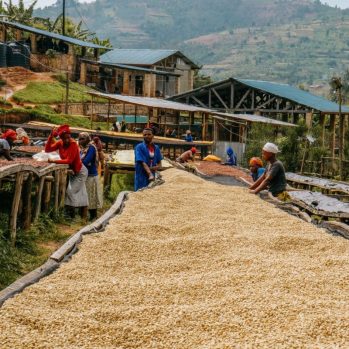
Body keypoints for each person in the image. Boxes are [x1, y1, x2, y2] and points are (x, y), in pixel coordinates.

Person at [45, 125, 89, 218]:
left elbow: (69, 160)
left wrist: (53, 161)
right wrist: (51, 136)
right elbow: (47, 149)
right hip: (73, 171)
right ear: (61, 138)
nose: (67, 140)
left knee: (70, 192)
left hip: (80, 171)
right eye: (65, 138)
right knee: (80, 193)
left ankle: (70, 216)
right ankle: (83, 217)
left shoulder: (73, 144)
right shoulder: (60, 143)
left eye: (68, 137)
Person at [79, 132, 103, 220]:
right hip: (84, 175)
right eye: (80, 139)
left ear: (88, 139)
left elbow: (85, 162)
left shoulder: (91, 148)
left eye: (83, 139)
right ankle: (85, 217)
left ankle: (93, 216)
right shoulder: (82, 149)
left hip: (91, 176)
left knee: (92, 197)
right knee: (86, 196)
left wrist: (76, 164)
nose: (81, 141)